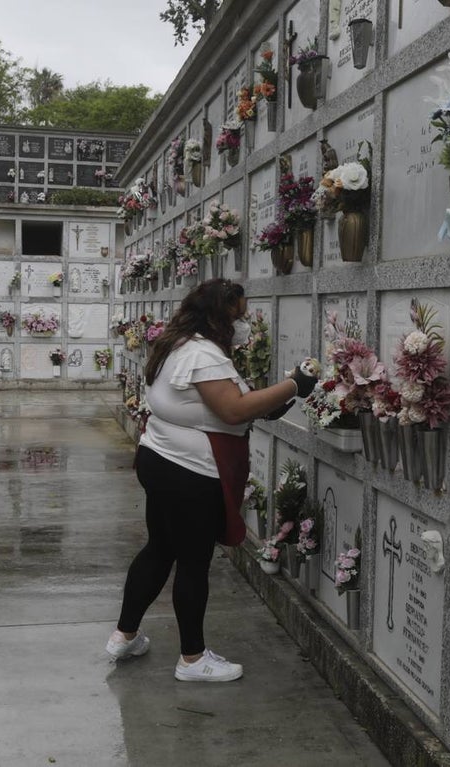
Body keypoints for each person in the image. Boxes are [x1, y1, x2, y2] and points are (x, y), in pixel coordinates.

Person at [105, 279, 318, 682]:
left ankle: (124, 635)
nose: (244, 323)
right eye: (239, 314)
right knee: (192, 561)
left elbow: (222, 405)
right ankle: (192, 659)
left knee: (159, 549)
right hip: (189, 472)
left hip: (161, 459)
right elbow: (233, 410)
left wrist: (269, 403)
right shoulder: (204, 355)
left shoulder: (179, 343)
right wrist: (294, 385)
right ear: (220, 315)